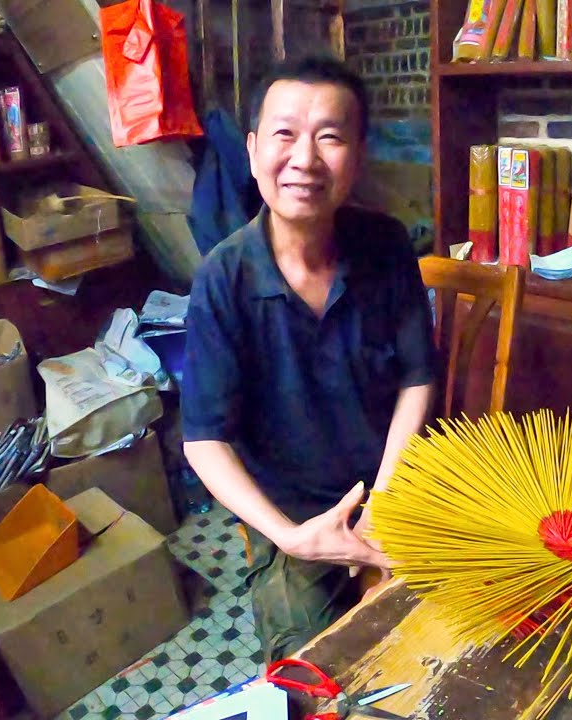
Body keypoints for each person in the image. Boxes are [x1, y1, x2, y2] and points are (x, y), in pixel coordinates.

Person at [180, 55, 437, 663]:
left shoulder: (385, 243)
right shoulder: (222, 279)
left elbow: (416, 378)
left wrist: (386, 499)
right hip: (297, 517)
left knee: (467, 624)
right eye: (284, 134)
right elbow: (204, 441)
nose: (304, 159)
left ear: (358, 154)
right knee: (309, 669)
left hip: (399, 486)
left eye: (330, 137)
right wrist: (291, 537)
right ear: (252, 151)